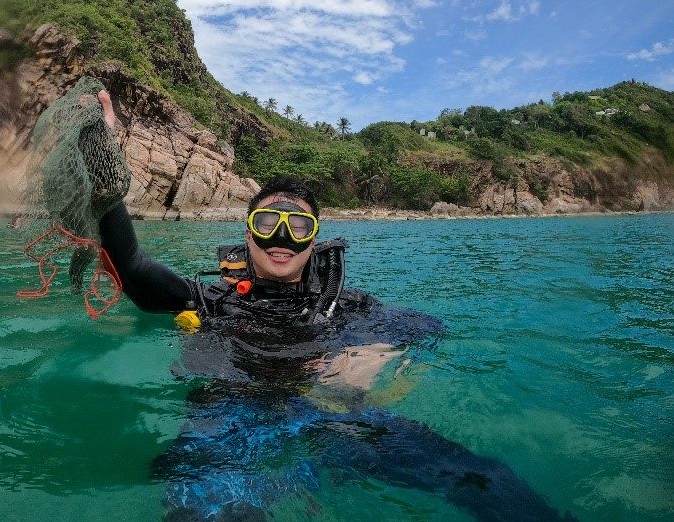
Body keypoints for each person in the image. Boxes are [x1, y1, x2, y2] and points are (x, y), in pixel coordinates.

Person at [89, 90, 574, 522]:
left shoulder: (347, 307)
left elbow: (429, 327)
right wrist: (102, 155)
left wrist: (376, 351)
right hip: (229, 421)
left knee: (485, 481)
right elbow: (130, 265)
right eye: (267, 223)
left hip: (330, 414)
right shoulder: (208, 299)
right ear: (248, 234)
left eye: (298, 227)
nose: (281, 238)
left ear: (314, 241)